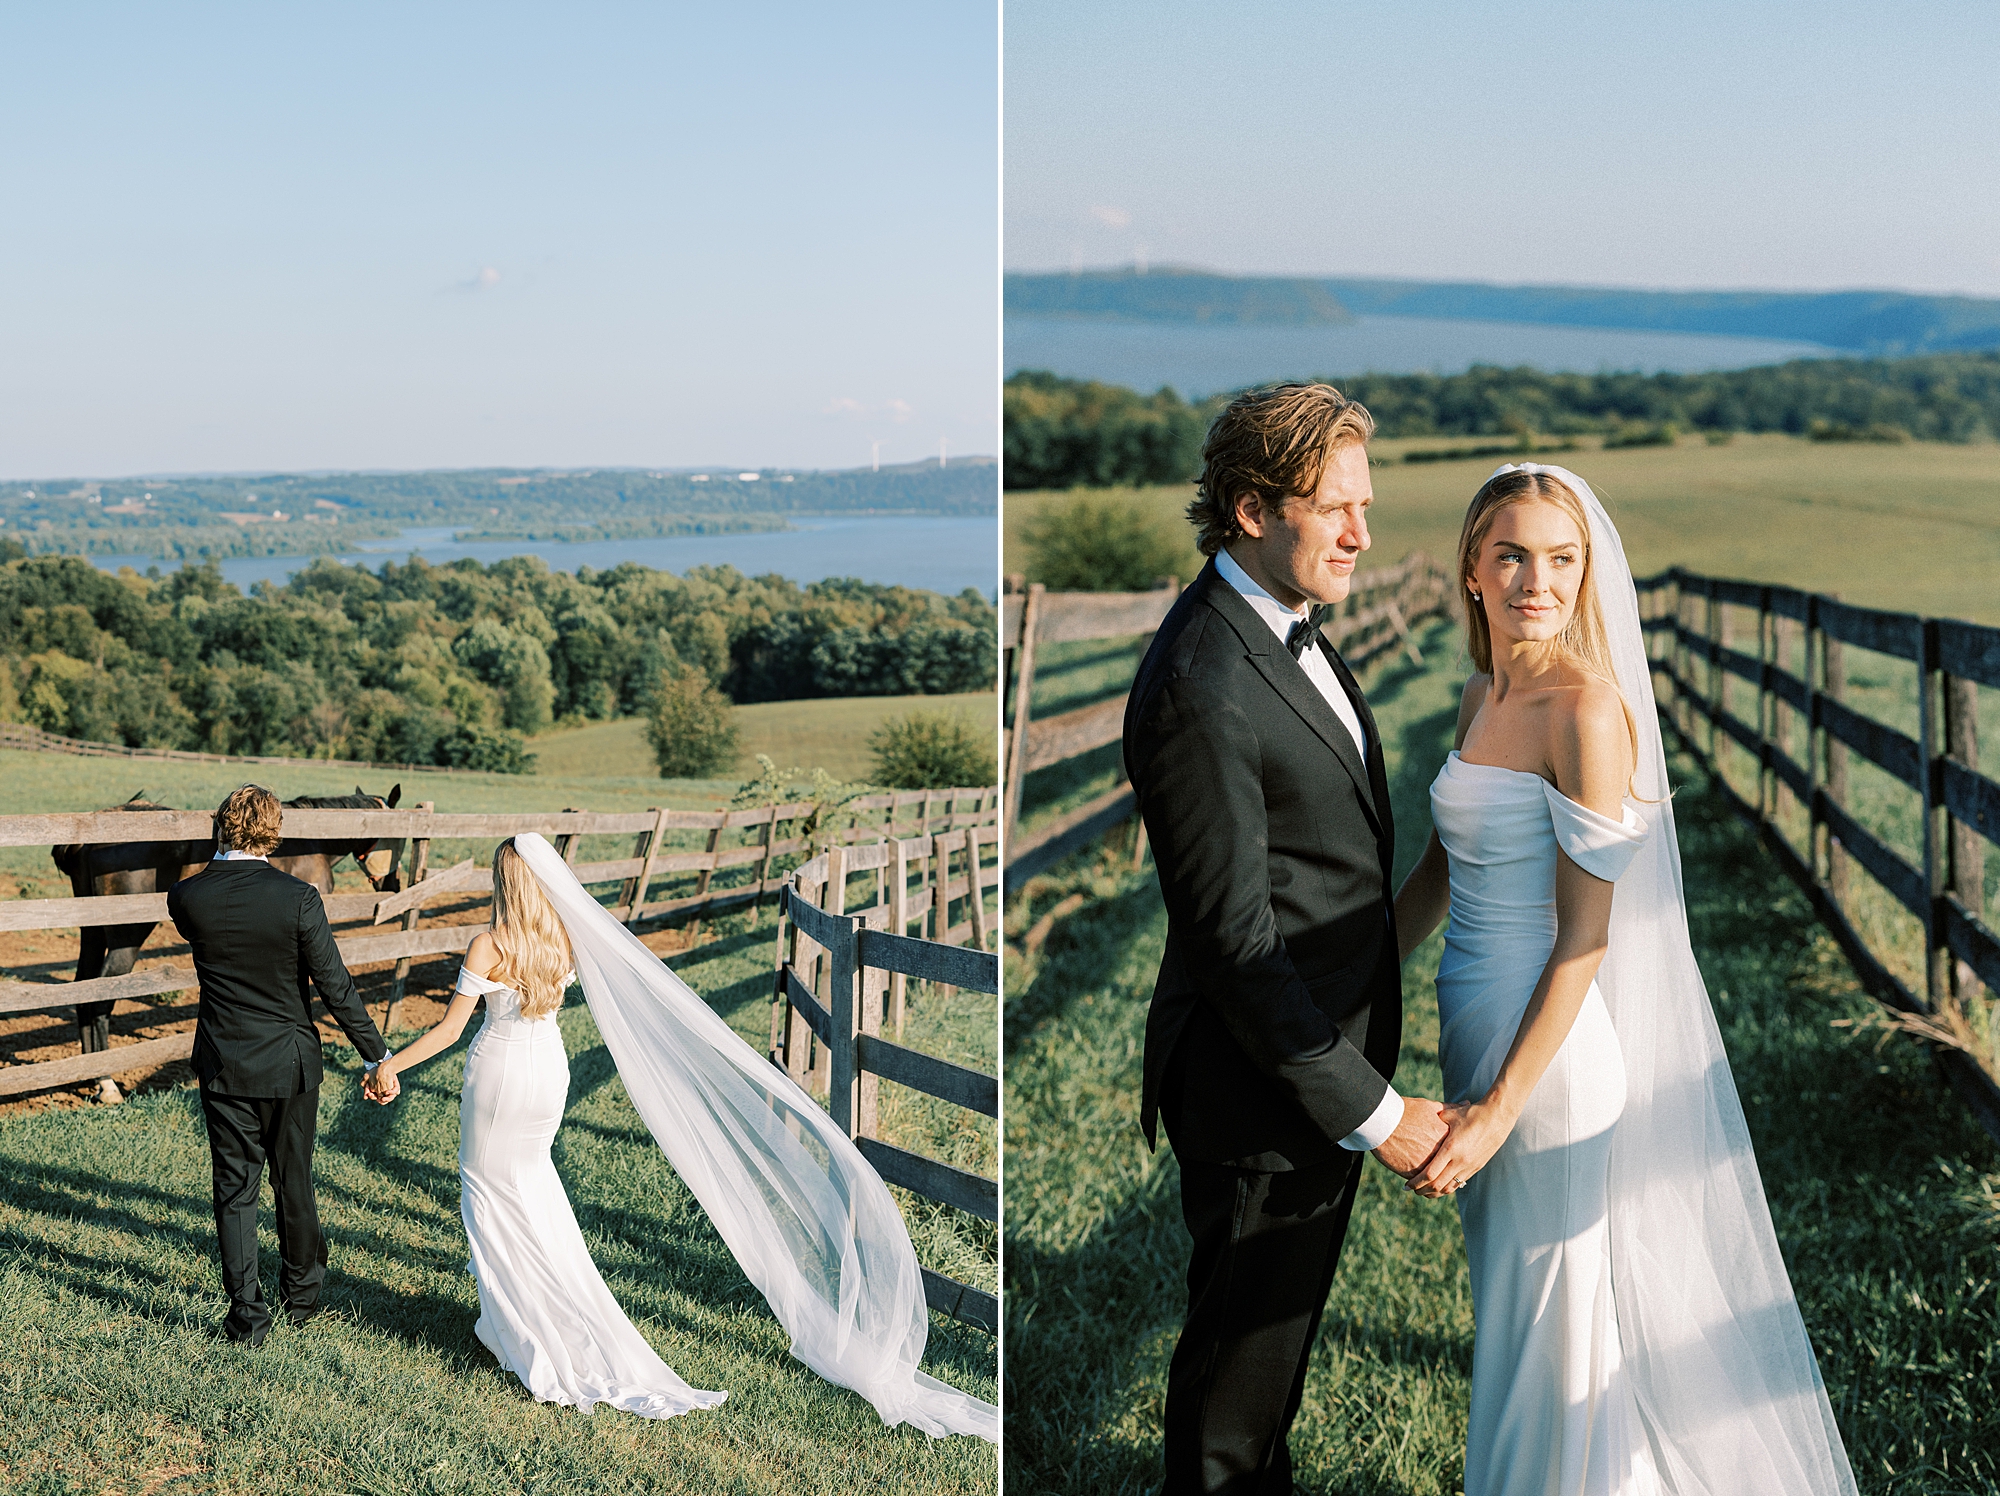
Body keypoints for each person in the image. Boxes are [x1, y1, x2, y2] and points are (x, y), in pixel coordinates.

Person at [1392, 464, 1856, 1494]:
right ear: (1470, 566)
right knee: (1526, 1328)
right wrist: (1347, 986)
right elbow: (1438, 870)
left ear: (1586, 572)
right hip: (1468, 1032)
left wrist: (1498, 1107)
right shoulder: (1479, 694)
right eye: (1510, 553)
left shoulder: (1584, 713)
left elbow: (1581, 941)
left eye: (1560, 559)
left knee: (1548, 1341)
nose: (1534, 580)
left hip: (1545, 1066)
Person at [373, 835, 996, 1440]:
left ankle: (523, 1328)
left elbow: (452, 1031)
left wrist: (391, 1065)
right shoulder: (565, 935)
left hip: (502, 1075)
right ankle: (528, 1317)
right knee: (533, 1190)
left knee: (488, 1193)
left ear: (506, 883)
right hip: (549, 1074)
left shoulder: (490, 943)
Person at [1122, 382, 1450, 1495]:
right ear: (1251, 509)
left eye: (1364, 503)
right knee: (1232, 1396)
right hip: (1260, 1087)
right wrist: (1380, 1111)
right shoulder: (1202, 682)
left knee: (1268, 1379)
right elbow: (1234, 946)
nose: (1362, 532)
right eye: (1333, 506)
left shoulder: (1280, 627)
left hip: (1306, 1066)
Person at [167, 782, 398, 1347]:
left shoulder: (185, 898)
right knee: (292, 1179)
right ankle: (302, 1297)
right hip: (291, 1064)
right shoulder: (298, 898)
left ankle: (246, 1315)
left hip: (222, 1060)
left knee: (233, 1188)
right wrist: (377, 1054)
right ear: (273, 830)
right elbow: (335, 987)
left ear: (221, 824)